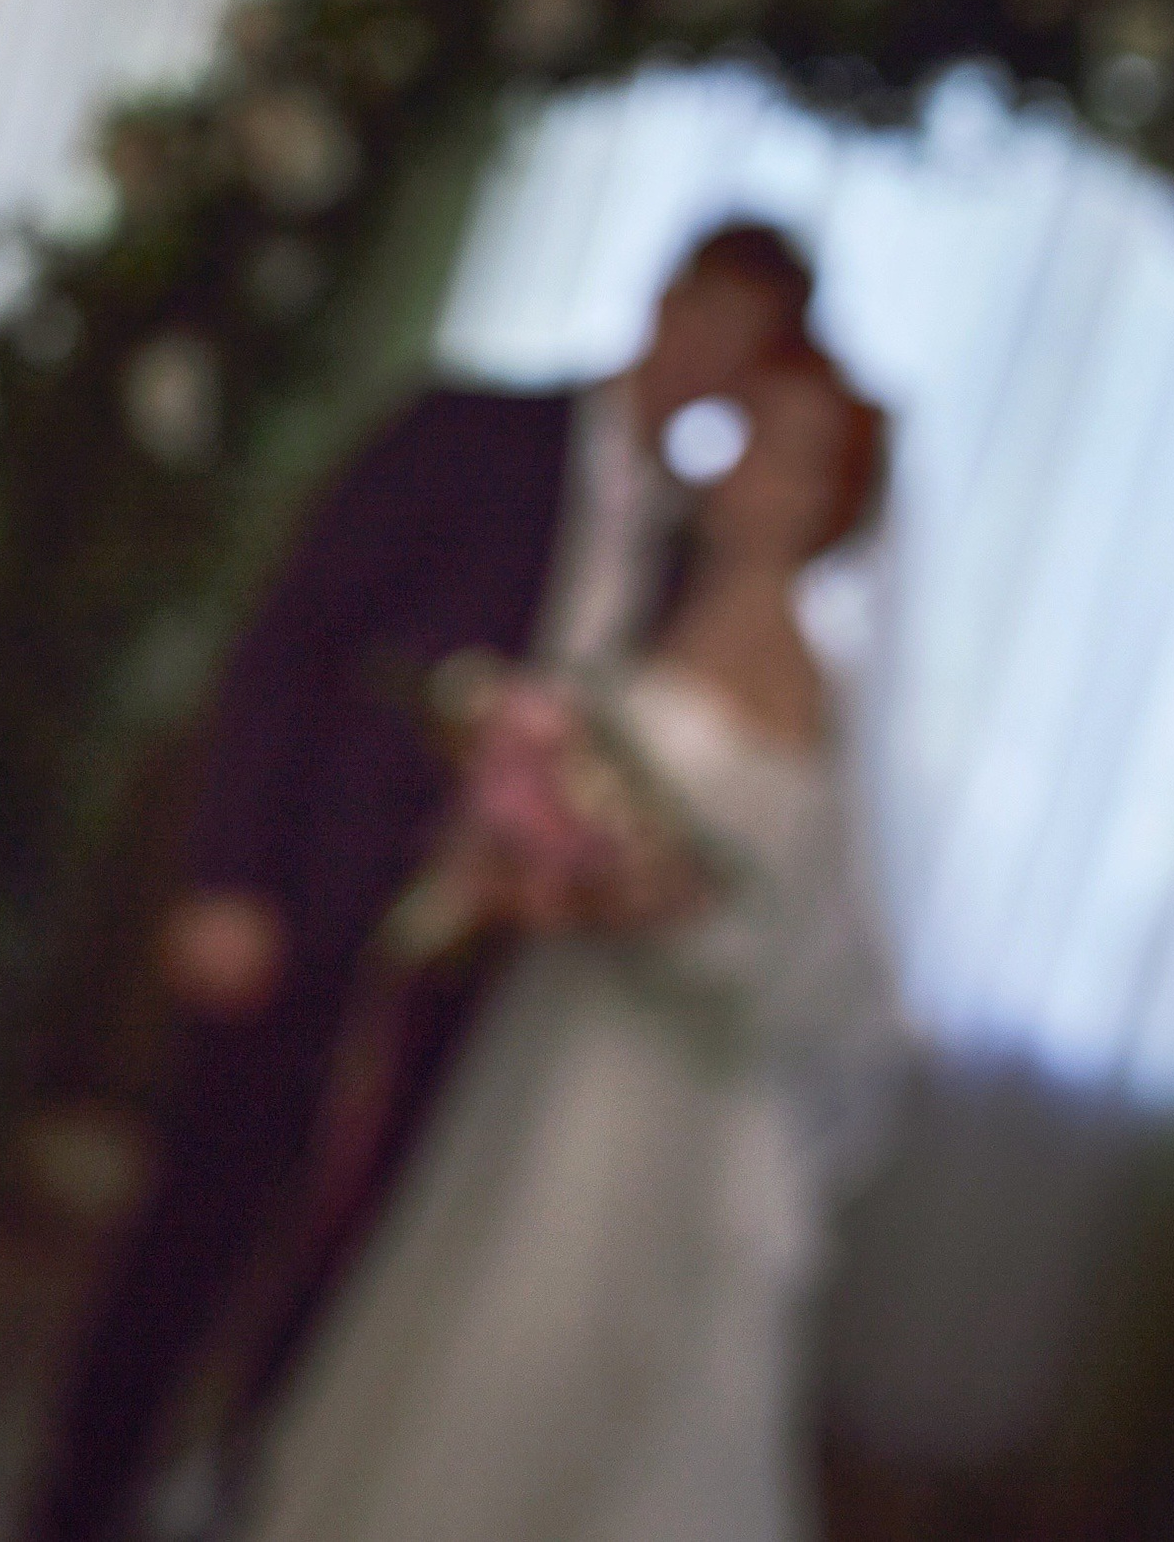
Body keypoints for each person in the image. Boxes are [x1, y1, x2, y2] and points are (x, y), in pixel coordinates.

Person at [23, 223, 819, 1542]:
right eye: (708, 317)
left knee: (361, 1275)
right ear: (663, 299)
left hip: (489, 975)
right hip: (307, 905)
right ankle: (72, 1505)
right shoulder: (470, 433)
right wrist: (227, 873)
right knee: (194, 1230)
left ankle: (254, 1501)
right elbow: (290, 639)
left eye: (747, 345)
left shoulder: (695, 552)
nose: (711, 357)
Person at [233, 353, 900, 1542]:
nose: (742, 467)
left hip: (642, 1077)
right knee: (449, 1310)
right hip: (538, 1036)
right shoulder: (672, 605)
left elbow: (775, 931)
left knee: (549, 1341)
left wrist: (614, 897)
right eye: (749, 434)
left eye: (779, 451)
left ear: (822, 498)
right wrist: (509, 862)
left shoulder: (798, 677)